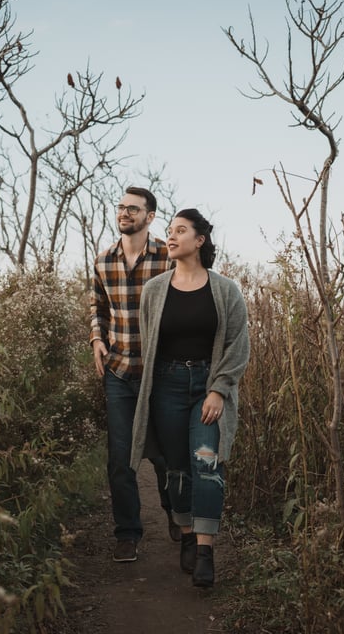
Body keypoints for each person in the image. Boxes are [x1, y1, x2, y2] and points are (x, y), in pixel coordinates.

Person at [130, 208, 250, 588]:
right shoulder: (154, 291)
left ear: (199, 240)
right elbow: (149, 345)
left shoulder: (225, 290)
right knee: (177, 468)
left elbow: (238, 344)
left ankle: (204, 552)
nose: (171, 236)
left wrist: (218, 389)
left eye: (180, 230)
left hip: (206, 386)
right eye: (170, 230)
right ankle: (185, 532)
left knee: (207, 463)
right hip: (166, 386)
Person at [90, 186, 181, 563]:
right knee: (120, 457)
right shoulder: (103, 260)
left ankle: (176, 513)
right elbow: (98, 307)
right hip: (119, 371)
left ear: (150, 216)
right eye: (121, 207)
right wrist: (97, 338)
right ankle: (127, 533)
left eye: (133, 208)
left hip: (160, 373)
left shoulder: (168, 257)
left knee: (164, 455)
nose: (124, 213)